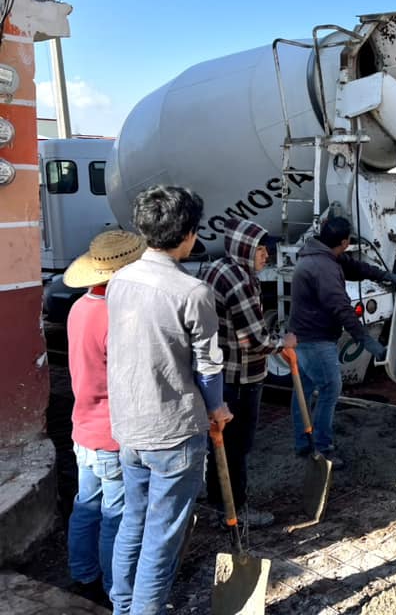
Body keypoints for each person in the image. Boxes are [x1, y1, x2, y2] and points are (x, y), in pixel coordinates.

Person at [107, 185, 232, 614]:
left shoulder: (118, 280)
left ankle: (122, 606)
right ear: (189, 235)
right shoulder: (192, 292)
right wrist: (217, 408)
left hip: (129, 426)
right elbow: (209, 366)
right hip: (174, 433)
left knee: (133, 524)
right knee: (162, 539)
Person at [63, 230, 146, 607]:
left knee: (85, 505)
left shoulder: (79, 308)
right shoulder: (118, 317)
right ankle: (116, 589)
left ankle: (82, 573)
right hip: (113, 433)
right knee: (116, 514)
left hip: (83, 427)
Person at [288, 216, 396, 464]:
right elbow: (342, 309)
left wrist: (386, 276)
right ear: (344, 242)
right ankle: (323, 447)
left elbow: (355, 267)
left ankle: (303, 442)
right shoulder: (323, 268)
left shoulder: (319, 254)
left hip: (302, 335)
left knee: (304, 388)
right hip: (315, 339)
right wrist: (368, 342)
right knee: (330, 389)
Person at [201, 219, 297, 529]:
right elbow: (254, 339)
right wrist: (283, 343)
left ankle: (219, 502)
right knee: (238, 447)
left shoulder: (219, 268)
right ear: (244, 249)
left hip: (220, 374)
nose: (267, 255)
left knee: (221, 445)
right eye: (260, 250)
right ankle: (237, 510)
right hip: (240, 378)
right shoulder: (239, 281)